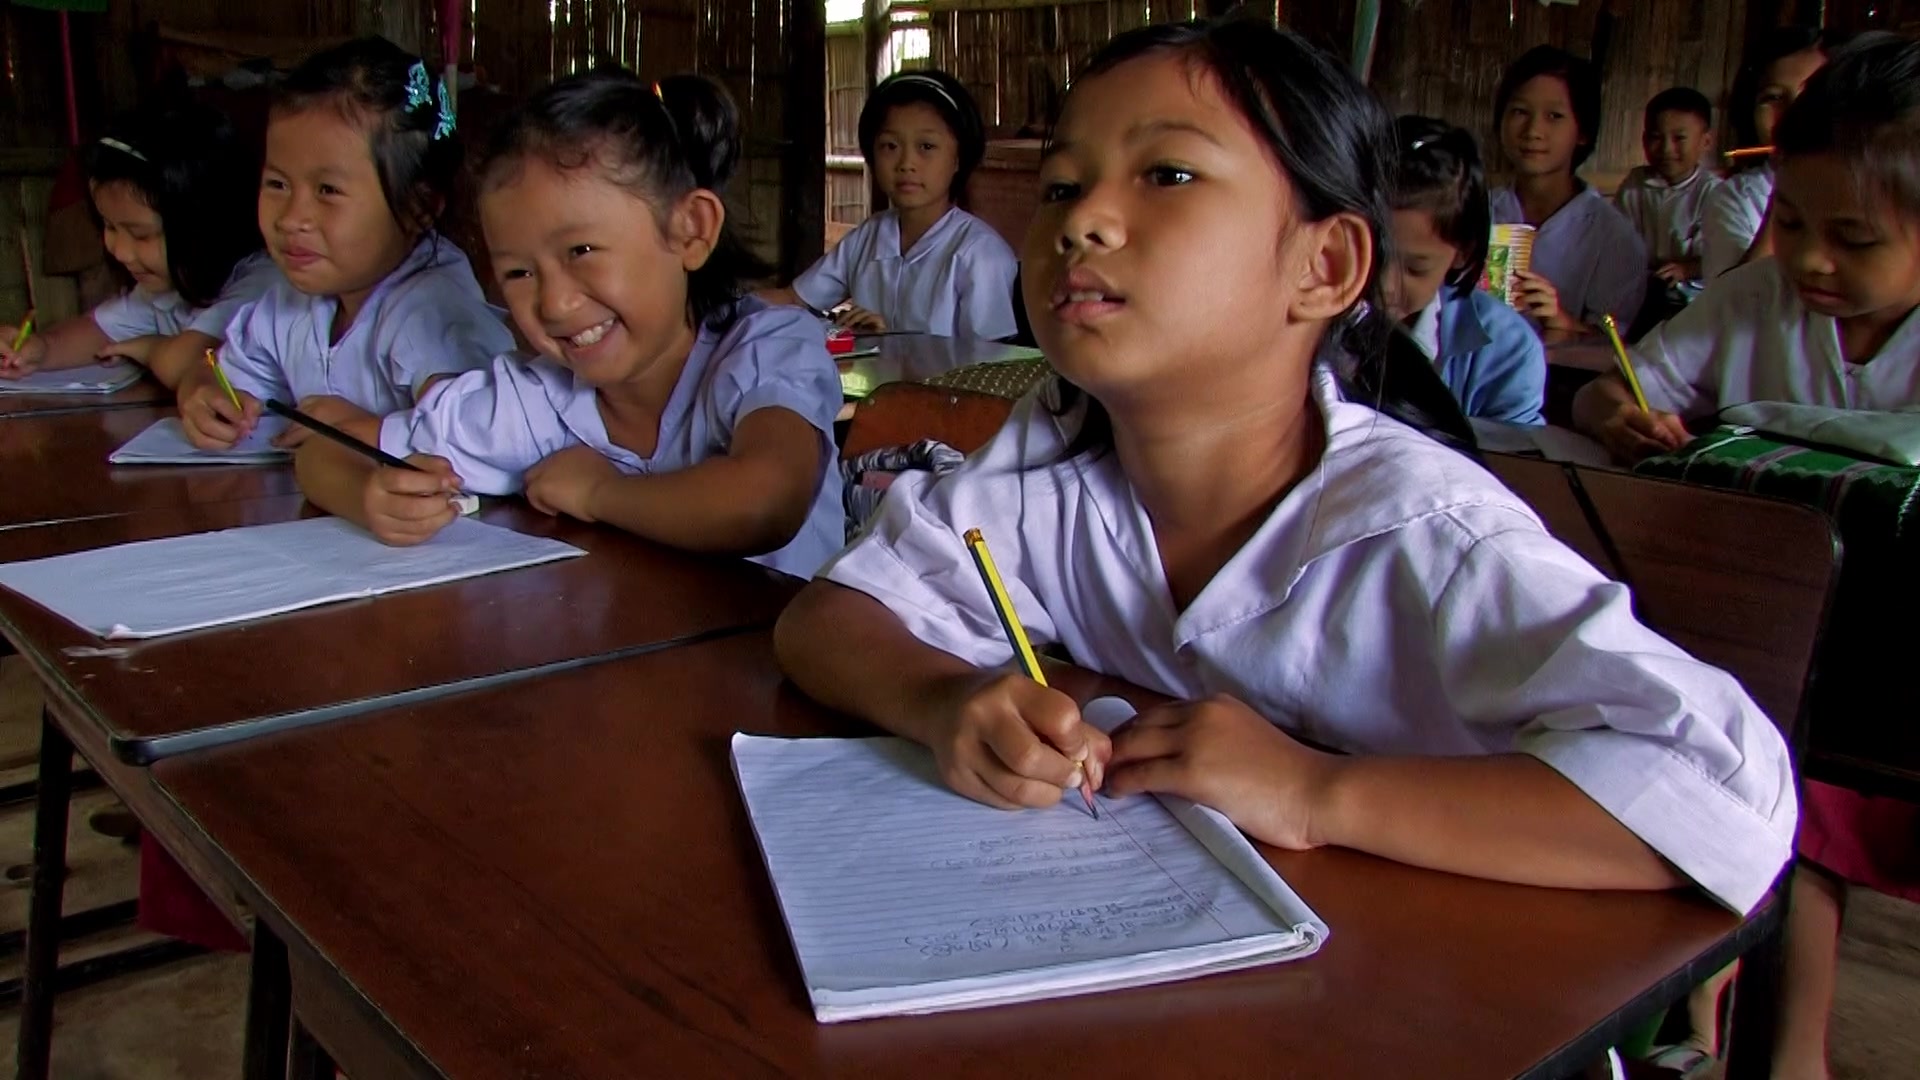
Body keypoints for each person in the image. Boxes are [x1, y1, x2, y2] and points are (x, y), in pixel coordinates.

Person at [775, 18, 1795, 923]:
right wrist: (942, 702)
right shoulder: (1053, 456)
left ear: (1327, 268)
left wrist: (1318, 793)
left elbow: (1731, 801)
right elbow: (830, 619)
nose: (1081, 220)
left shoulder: (1424, 537)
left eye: (1166, 174)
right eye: (1059, 186)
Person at [297, 70, 844, 579]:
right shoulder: (535, 400)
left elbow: (765, 502)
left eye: (581, 250)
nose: (554, 304)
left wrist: (601, 493)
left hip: (777, 666)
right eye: (518, 271)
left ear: (690, 230)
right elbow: (325, 451)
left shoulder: (765, 349)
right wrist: (371, 499)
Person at [175, 37, 513, 450]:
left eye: (328, 190)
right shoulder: (290, 302)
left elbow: (482, 439)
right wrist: (205, 391)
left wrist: (369, 430)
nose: (291, 218)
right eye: (277, 184)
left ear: (418, 207)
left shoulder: (433, 314)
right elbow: (232, 373)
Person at [760, 70, 1019, 340]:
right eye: (890, 146)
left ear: (958, 159)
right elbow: (795, 299)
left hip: (941, 385)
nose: (906, 163)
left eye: (926, 146)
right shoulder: (869, 235)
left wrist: (893, 341)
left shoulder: (979, 253)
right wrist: (726, 310)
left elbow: (991, 364)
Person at [1390, 115, 1546, 425]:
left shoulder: (1506, 348)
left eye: (1414, 267)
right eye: (1366, 255)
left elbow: (1512, 462)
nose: (1382, 285)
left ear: (1463, 252)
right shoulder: (1310, 322)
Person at [1489, 46, 1647, 331]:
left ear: (1583, 131)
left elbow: (1614, 343)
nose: (1533, 131)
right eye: (1520, 111)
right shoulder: (1474, 213)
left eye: (1554, 116)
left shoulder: (1613, 239)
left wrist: (1561, 321)